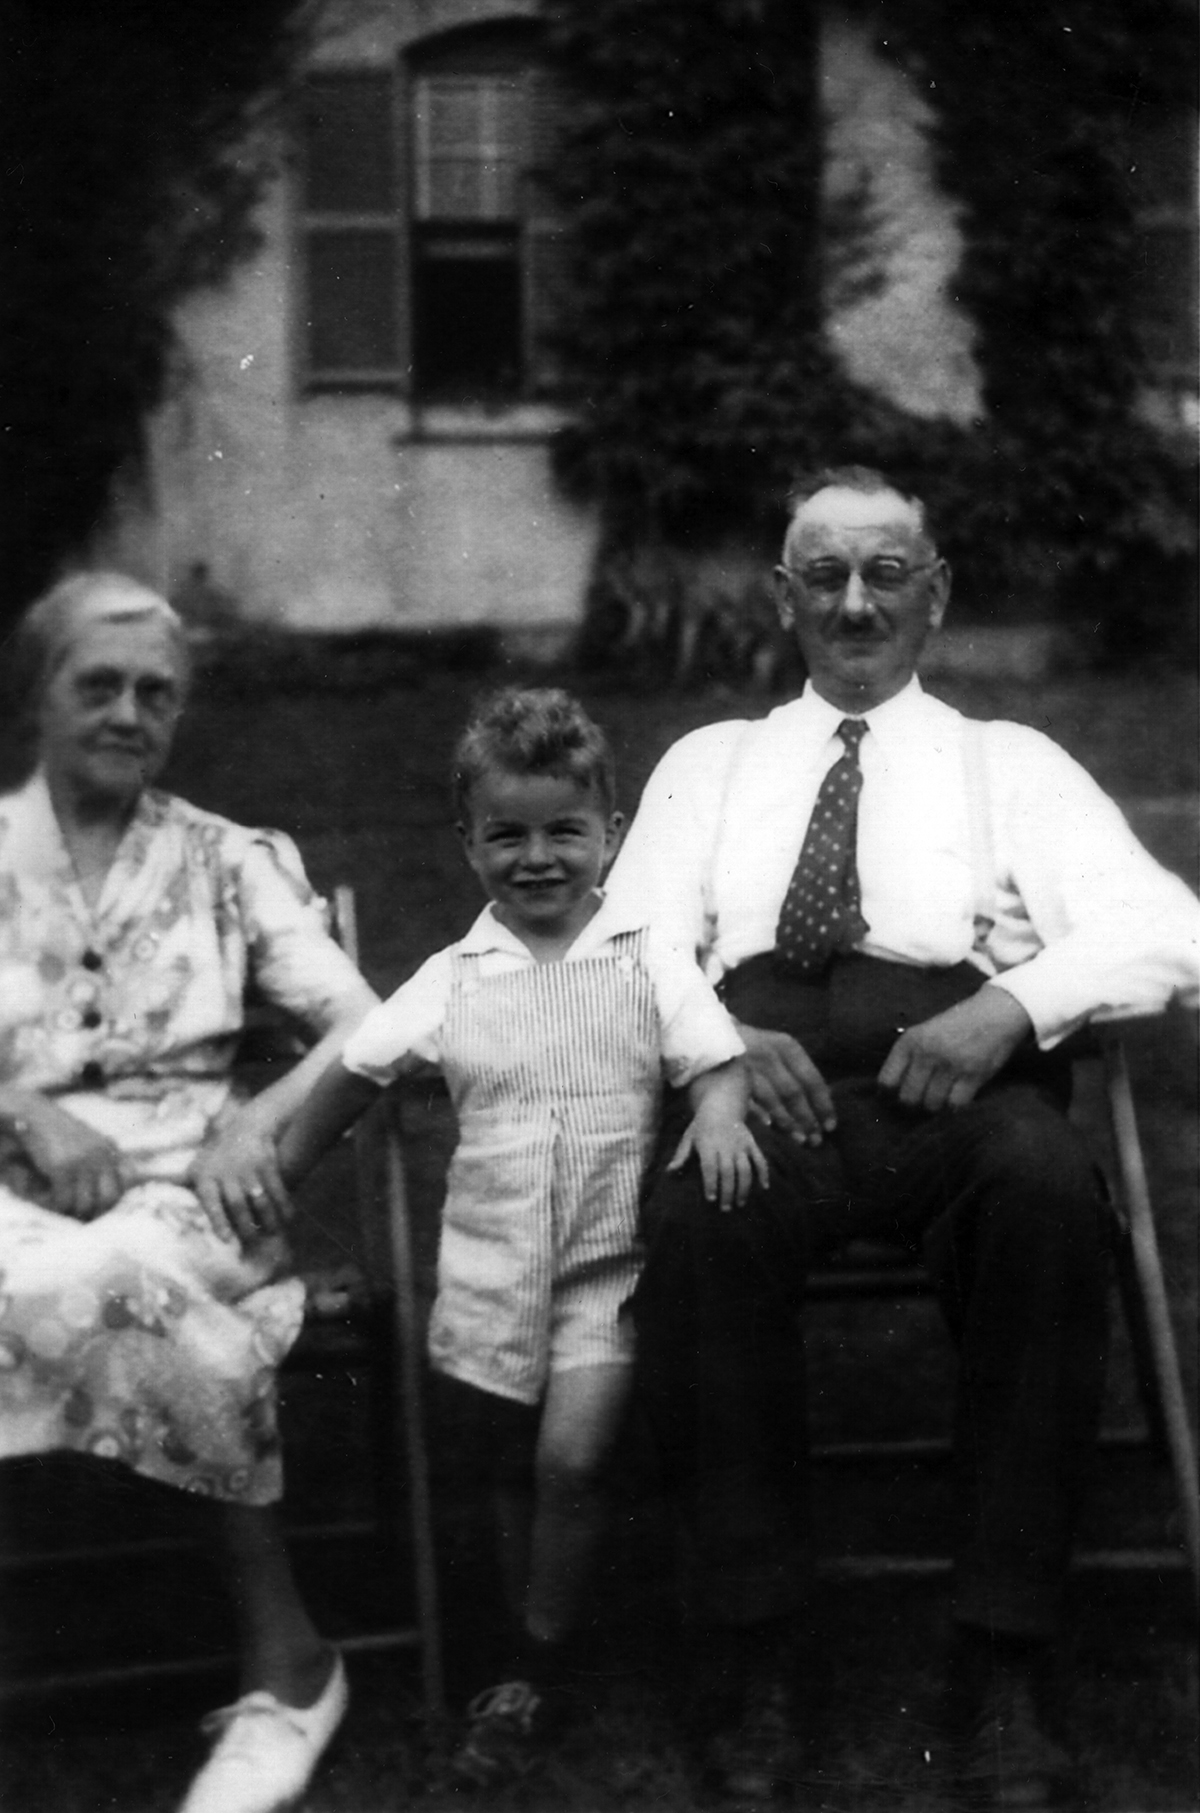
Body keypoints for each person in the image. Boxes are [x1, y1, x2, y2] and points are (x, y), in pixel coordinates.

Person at [604, 468, 1200, 1807]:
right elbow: (627, 941)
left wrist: (1011, 1008)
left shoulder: (1008, 763)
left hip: (961, 1101)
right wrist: (715, 1036)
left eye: (887, 573)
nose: (857, 604)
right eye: (825, 575)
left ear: (936, 594)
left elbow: (1170, 927)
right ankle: (762, 1643)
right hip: (764, 1101)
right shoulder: (713, 763)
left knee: (1050, 1197)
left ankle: (1003, 1649)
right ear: (783, 598)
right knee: (697, 1222)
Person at [277, 686, 763, 1789]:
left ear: (611, 834)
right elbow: (354, 1073)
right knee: (504, 1465)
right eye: (507, 835)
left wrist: (722, 1115)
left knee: (571, 1458)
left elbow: (715, 1057)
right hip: (491, 1270)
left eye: (564, 831)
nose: (537, 858)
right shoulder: (452, 979)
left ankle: (542, 1651)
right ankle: (519, 1650)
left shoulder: (647, 955)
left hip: (608, 1266)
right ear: (468, 842)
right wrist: (285, 1166)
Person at [0, 573, 378, 1813]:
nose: (129, 712)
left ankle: (290, 1665)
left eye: (155, 693)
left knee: (116, 1280)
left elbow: (369, 1027)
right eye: (99, 684)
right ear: (38, 694)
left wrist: (258, 1122)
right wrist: (22, 1107)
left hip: (181, 1197)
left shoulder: (225, 859)